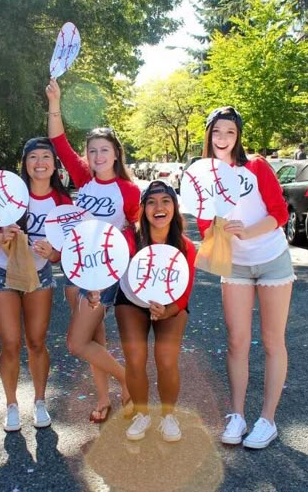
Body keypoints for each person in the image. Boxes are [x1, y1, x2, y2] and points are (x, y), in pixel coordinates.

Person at [198, 106, 294, 449]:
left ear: (238, 136)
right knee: (237, 340)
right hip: (235, 264)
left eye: (230, 132)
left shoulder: (255, 166)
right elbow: (204, 226)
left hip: (271, 258)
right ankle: (237, 415)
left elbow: (279, 213)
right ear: (208, 135)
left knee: (272, 341)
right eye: (217, 132)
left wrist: (248, 231)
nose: (223, 139)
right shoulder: (201, 175)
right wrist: (215, 230)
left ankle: (267, 419)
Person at [46, 78, 138, 423]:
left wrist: (114, 267)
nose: (97, 156)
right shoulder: (83, 179)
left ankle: (130, 381)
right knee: (93, 338)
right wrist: (55, 102)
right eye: (92, 151)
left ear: (116, 153)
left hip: (103, 273)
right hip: (74, 267)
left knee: (76, 342)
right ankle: (104, 400)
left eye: (104, 150)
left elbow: (134, 233)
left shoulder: (128, 190)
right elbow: (58, 140)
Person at [0, 137, 72, 432]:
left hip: (40, 275)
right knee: (10, 343)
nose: (40, 163)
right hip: (1, 273)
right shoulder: (9, 190)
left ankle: (40, 400)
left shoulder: (63, 202)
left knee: (36, 342)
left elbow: (68, 251)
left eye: (46, 157)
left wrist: (55, 254)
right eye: (33, 157)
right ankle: (11, 404)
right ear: (25, 163)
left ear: (55, 164)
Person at [114, 180, 196, 442]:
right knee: (135, 357)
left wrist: (168, 310)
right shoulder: (129, 238)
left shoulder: (185, 246)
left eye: (165, 201)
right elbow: (107, 265)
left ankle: (168, 416)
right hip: (131, 300)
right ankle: (142, 414)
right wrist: (94, 288)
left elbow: (184, 295)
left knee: (166, 358)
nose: (158, 207)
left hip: (171, 304)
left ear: (174, 207)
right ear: (143, 209)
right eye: (151, 202)